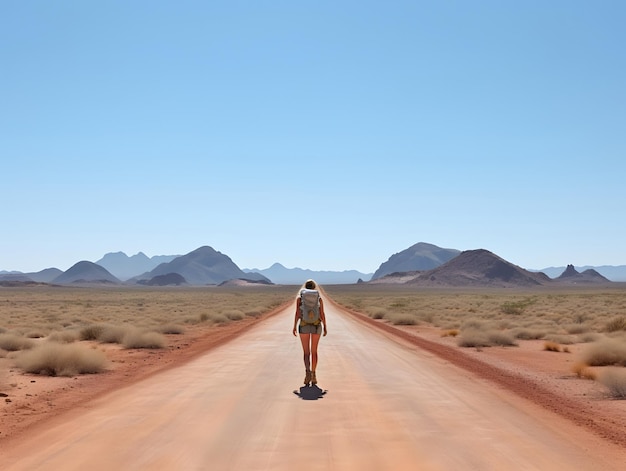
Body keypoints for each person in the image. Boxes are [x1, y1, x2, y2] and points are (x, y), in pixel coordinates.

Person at [292, 279, 327, 386]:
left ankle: (307, 373)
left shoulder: (300, 298)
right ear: (314, 288)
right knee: (314, 352)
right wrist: (325, 326)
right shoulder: (319, 299)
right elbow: (322, 314)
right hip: (316, 326)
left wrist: (294, 326)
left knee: (306, 353)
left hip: (304, 325)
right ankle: (314, 374)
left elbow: (297, 313)